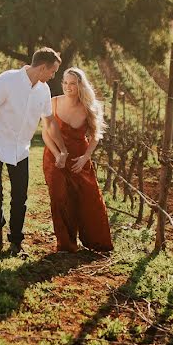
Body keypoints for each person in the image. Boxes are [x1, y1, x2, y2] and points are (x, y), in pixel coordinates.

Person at [0, 48, 66, 256]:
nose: (53, 76)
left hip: (21, 148)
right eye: (52, 71)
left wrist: (62, 148)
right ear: (43, 67)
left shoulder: (43, 90)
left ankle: (16, 241)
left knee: (20, 197)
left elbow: (50, 121)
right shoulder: (6, 81)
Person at [42, 67, 113, 253]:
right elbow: (46, 134)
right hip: (54, 157)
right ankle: (66, 244)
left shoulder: (90, 107)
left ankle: (97, 242)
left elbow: (96, 136)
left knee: (89, 199)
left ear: (80, 85)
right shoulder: (53, 102)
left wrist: (85, 158)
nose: (68, 87)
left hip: (79, 158)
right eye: (65, 83)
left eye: (72, 83)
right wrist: (58, 155)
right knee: (59, 197)